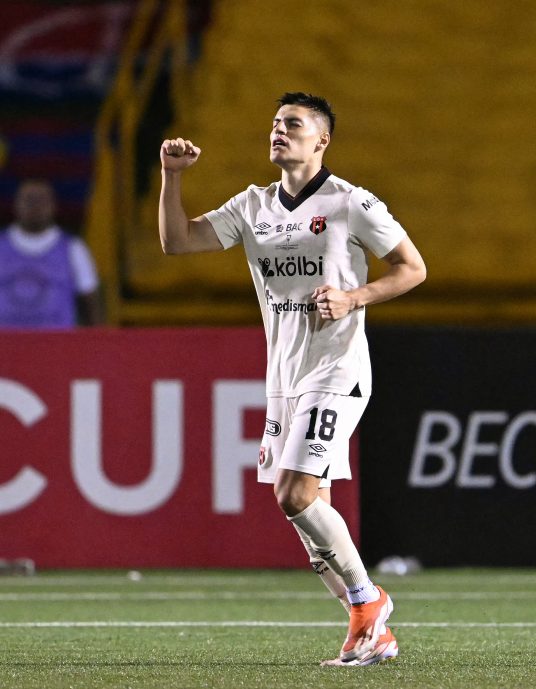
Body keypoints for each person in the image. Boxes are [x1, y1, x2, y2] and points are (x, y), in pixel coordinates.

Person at [157, 92, 426, 666]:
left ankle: (369, 602)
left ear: (321, 139)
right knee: (312, 530)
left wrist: (354, 296)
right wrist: (171, 177)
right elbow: (176, 241)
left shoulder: (351, 202)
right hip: (285, 376)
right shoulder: (253, 205)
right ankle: (367, 631)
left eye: (293, 125)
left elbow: (413, 267)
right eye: (276, 124)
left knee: (294, 492)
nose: (279, 132)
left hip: (337, 367)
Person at [0, 178, 102, 328]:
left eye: (41, 200)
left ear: (53, 205)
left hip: (57, 347)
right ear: (16, 204)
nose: (35, 206)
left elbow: (91, 305)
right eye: (29, 199)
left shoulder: (73, 248)